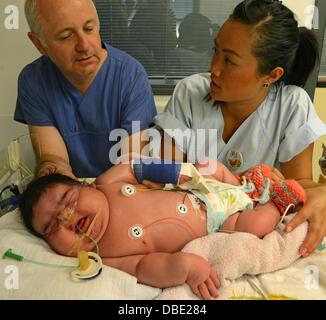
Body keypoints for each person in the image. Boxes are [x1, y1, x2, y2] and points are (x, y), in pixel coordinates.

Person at [153, 0, 326, 257]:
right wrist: (237, 183)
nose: (214, 68)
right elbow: (166, 179)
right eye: (215, 51)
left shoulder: (291, 104)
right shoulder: (190, 94)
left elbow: (298, 185)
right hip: (188, 230)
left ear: (271, 75)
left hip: (251, 239)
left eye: (230, 61)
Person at [19, 159, 306, 299]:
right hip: (218, 222)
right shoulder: (104, 254)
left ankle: (249, 186)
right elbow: (143, 266)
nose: (67, 217)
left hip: (202, 189)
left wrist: (170, 172)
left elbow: (134, 169)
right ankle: (277, 203)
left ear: (86, 185)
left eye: (68, 200)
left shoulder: (107, 184)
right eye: (51, 226)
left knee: (212, 166)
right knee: (252, 227)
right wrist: (180, 265)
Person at [14, 0, 157, 178]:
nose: (84, 46)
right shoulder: (34, 80)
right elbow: (53, 158)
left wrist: (95, 194)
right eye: (66, 36)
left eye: (89, 29)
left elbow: (132, 163)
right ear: (39, 44)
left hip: (121, 189)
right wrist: (54, 182)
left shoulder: (130, 75)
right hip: (71, 189)